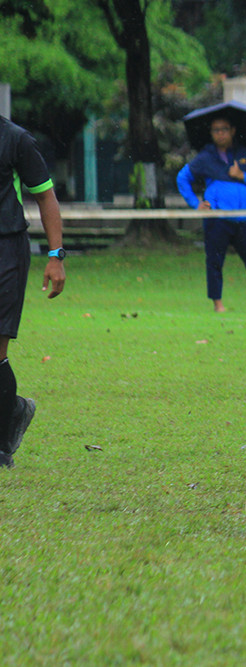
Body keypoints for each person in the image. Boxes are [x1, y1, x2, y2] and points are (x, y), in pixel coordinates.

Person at [0, 116, 66, 468]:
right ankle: (16, 408)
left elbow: (46, 197)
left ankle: (1, 447)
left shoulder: (15, 139)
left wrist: (56, 255)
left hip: (6, 249)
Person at [177, 115, 246, 313]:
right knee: (215, 262)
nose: (220, 134)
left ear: (232, 130)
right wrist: (196, 204)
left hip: (243, 219)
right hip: (217, 220)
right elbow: (182, 178)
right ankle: (217, 304)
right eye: (215, 130)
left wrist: (242, 176)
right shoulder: (205, 157)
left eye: (224, 129)